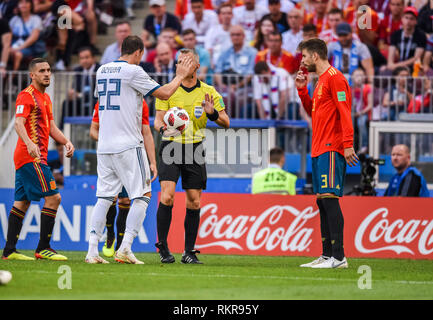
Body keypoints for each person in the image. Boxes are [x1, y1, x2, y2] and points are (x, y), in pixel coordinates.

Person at [85, 35, 195, 264]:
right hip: (127, 144)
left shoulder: (102, 70)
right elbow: (164, 93)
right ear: (138, 53)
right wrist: (180, 76)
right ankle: (125, 248)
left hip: (104, 145)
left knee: (104, 198)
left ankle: (92, 251)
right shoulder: (133, 71)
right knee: (143, 195)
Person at [154, 48, 230, 264]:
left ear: (196, 66)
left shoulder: (209, 92)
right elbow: (158, 120)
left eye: (186, 61)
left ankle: (188, 251)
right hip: (171, 146)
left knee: (194, 202)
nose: (182, 65)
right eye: (179, 61)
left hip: (195, 148)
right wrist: (163, 131)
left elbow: (226, 122)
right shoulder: (168, 90)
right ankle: (163, 247)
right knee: (167, 196)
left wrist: (212, 113)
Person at [1, 58, 75, 261]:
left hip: (29, 157)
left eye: (49, 70)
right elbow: (18, 123)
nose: (47, 73)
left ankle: (9, 250)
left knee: (21, 203)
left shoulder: (46, 99)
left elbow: (51, 128)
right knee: (54, 198)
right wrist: (29, 143)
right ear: (32, 75)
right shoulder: (26, 96)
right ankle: (43, 247)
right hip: (31, 157)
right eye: (42, 70)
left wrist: (66, 141)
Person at [295, 38, 358, 269]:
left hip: (332, 147)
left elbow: (345, 111)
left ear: (315, 56)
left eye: (303, 56)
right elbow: (315, 113)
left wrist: (348, 144)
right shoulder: (320, 81)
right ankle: (326, 254)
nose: (301, 61)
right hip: (319, 148)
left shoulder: (335, 78)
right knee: (322, 202)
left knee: (330, 200)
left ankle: (339, 257)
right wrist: (302, 90)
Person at [89, 99, 157, 257]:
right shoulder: (103, 102)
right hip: (113, 154)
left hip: (128, 156)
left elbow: (146, 132)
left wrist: (152, 162)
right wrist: (111, 141)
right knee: (109, 198)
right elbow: (93, 131)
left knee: (125, 201)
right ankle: (110, 236)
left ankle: (120, 245)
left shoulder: (140, 103)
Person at [61, 46, 100, 129]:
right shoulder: (78, 70)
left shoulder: (100, 69)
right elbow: (75, 88)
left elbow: (98, 91)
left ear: (93, 58)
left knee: (94, 103)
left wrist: (79, 95)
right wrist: (71, 94)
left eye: (87, 57)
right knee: (66, 103)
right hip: (82, 102)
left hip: (95, 101)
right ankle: (62, 131)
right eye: (81, 58)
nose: (84, 60)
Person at [385, 7, 426, 73]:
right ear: (402, 19)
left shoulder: (421, 36)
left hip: (414, 67)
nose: (408, 21)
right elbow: (390, 58)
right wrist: (390, 65)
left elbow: (416, 58)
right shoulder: (395, 34)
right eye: (406, 18)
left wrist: (396, 65)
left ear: (416, 21)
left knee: (411, 73)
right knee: (384, 72)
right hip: (397, 67)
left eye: (411, 19)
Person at [9, 0, 45, 70]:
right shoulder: (14, 19)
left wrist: (18, 48)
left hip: (30, 47)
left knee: (17, 54)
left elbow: (33, 38)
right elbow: (8, 36)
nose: (24, 4)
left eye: (26, 2)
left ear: (31, 5)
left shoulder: (36, 19)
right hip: (14, 45)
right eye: (21, 2)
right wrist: (9, 48)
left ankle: (12, 77)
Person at [204, 2, 233, 70]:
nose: (226, 16)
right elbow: (208, 50)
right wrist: (211, 65)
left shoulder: (237, 31)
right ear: (219, 15)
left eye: (229, 13)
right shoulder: (212, 31)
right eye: (223, 13)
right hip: (216, 67)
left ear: (232, 15)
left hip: (233, 67)